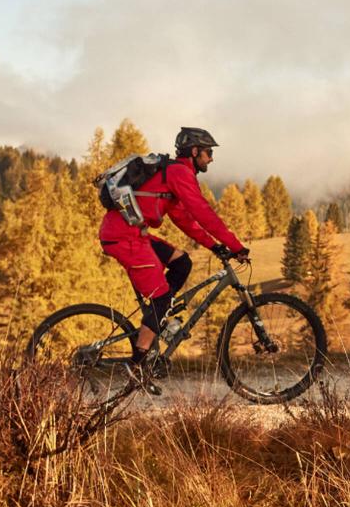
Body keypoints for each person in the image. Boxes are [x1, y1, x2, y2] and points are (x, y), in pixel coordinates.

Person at [97, 126, 249, 374]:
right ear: (195, 151)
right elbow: (203, 212)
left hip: (132, 234)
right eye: (208, 152)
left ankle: (157, 320)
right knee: (160, 297)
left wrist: (215, 246)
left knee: (182, 263)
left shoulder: (174, 174)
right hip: (125, 237)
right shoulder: (179, 172)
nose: (211, 158)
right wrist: (235, 246)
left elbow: (185, 219)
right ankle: (139, 365)